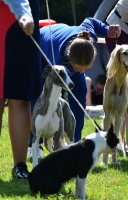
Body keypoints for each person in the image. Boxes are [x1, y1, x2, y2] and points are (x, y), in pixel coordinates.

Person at [38, 18, 120, 142]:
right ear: (70, 61)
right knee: (40, 98)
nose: (82, 72)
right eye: (78, 68)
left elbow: (90, 21)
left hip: (66, 43)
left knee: (80, 92)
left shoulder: (88, 36)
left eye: (85, 68)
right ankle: (34, 143)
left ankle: (74, 141)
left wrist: (107, 30)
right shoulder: (58, 60)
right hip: (43, 45)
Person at [0, 0, 41, 179]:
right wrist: (23, 12)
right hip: (13, 13)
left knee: (21, 95)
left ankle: (20, 165)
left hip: (25, 17)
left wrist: (24, 13)